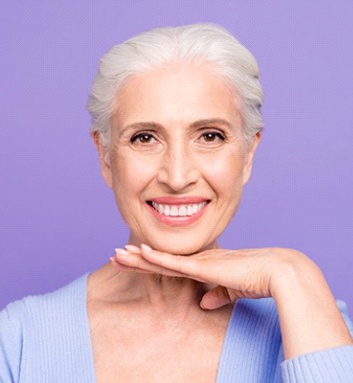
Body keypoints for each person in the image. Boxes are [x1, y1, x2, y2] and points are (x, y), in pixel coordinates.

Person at [0, 23, 352, 383]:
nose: (178, 175)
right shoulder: (19, 342)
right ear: (105, 156)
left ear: (248, 155)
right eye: (145, 138)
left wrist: (293, 270)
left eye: (210, 136)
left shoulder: (310, 322)